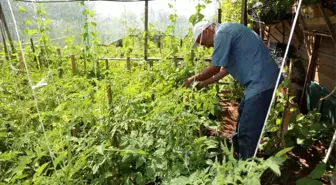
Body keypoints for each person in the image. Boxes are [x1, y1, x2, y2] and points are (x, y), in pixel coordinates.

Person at [184, 20, 283, 160]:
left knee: (248, 129)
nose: (206, 47)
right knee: (243, 114)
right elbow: (224, 71)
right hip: (258, 82)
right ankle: (234, 152)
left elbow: (214, 68)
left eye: (203, 42)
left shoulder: (222, 33)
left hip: (261, 81)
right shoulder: (227, 33)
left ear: (206, 32)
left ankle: (245, 167)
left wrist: (192, 80)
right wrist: (202, 84)